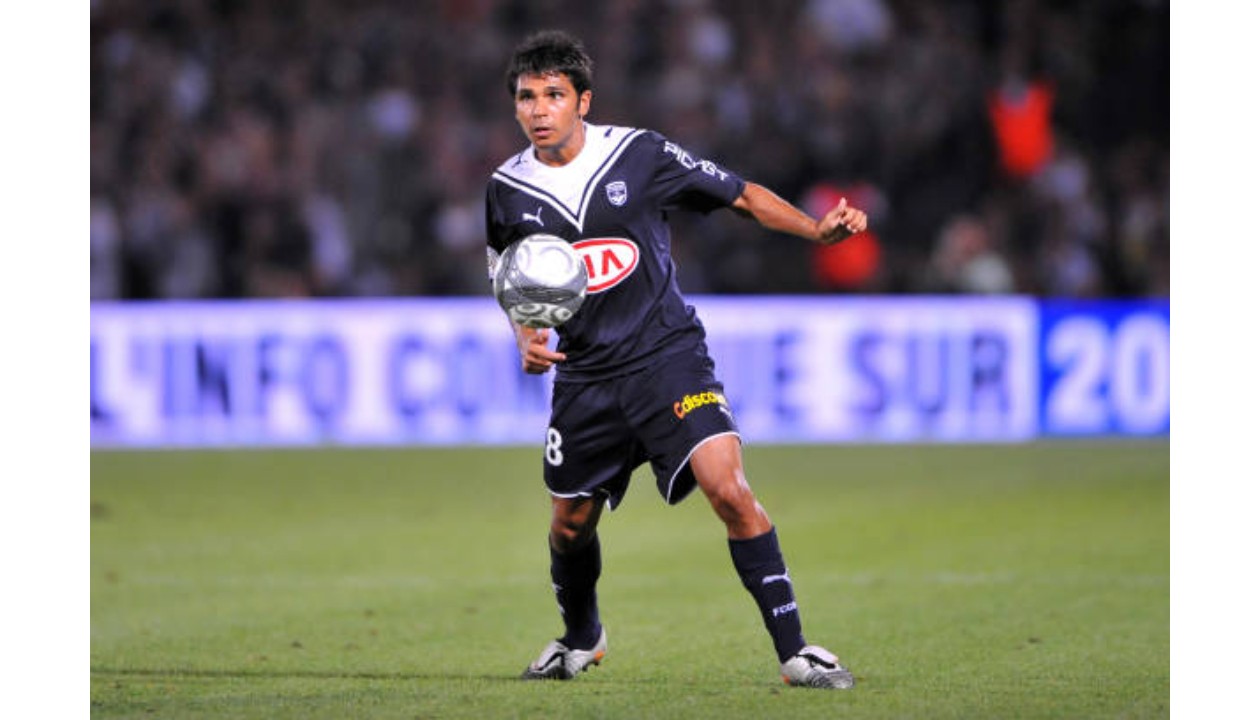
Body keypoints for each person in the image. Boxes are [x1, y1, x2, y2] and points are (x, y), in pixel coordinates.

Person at [484, 30, 868, 690]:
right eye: (526, 97)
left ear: (583, 101)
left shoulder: (638, 154)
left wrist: (813, 230)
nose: (539, 109)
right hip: (585, 376)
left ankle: (796, 651)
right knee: (569, 525)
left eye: (553, 95)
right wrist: (523, 330)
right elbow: (508, 271)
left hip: (667, 357)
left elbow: (741, 196)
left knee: (727, 486)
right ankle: (582, 638)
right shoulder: (505, 189)